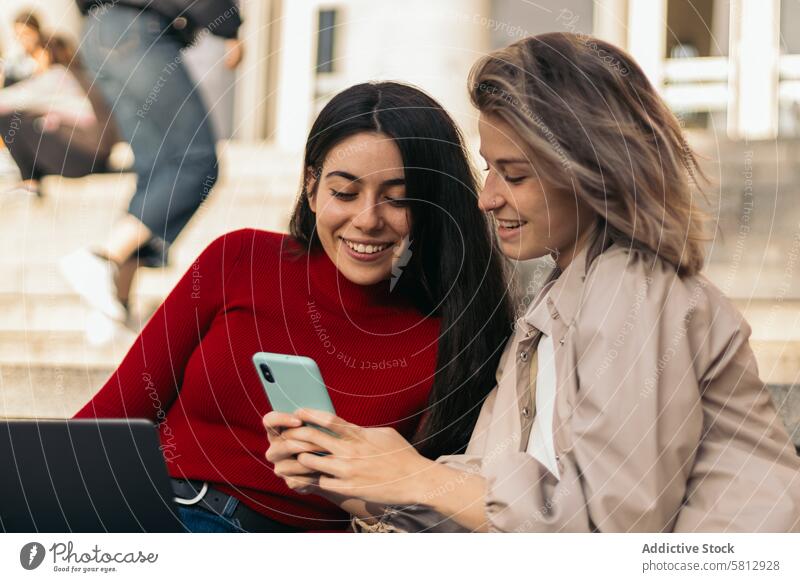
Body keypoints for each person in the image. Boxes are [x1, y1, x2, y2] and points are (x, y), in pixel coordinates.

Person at [266, 33, 800, 533]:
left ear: (593, 172)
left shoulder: (633, 289)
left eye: (514, 175)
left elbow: (608, 524)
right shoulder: (557, 302)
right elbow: (485, 496)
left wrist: (416, 475)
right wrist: (349, 471)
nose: (487, 197)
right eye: (489, 169)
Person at [73, 82, 513, 532]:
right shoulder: (239, 259)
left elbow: (418, 519)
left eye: (398, 199)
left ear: (431, 204)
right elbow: (113, 416)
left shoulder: (457, 334)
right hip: (159, 510)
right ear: (311, 188)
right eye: (344, 192)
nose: (367, 220)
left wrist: (335, 479)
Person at [60, 0, 245, 323]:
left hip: (101, 29)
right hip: (135, 30)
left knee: (158, 169)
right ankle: (102, 258)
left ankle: (115, 304)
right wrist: (228, 26)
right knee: (197, 160)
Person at [0, 34, 119, 197]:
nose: (32, 61)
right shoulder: (80, 74)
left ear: (47, 54)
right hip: (100, 158)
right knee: (32, 121)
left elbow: (7, 102)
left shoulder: (56, 76)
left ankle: (30, 181)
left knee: (8, 118)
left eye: (35, 54)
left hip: (83, 158)